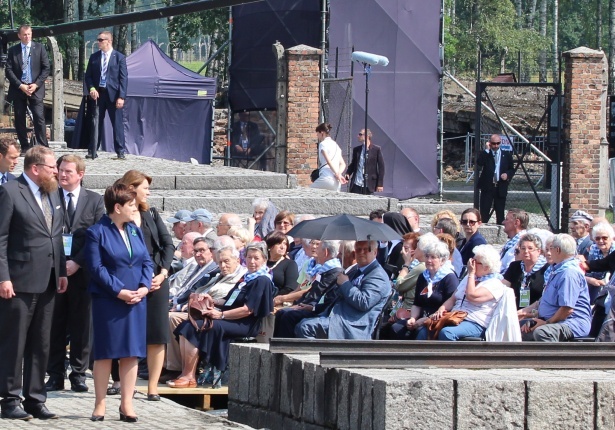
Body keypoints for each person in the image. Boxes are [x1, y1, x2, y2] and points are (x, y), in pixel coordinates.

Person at [0, 146, 67, 421]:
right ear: (35, 168)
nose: (56, 172)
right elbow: (0, 238)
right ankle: (9, 398)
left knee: (42, 342)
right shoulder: (10, 192)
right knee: (15, 342)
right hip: (18, 280)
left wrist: (61, 270)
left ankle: (35, 398)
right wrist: (3, 276)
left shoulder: (52, 192)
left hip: (49, 279)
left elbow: (57, 236)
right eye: (52, 167)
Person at [85, 183, 153, 422]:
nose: (136, 209)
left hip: (136, 299)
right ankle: (100, 403)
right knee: (105, 353)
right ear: (117, 207)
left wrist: (144, 287)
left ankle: (127, 405)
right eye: (131, 205)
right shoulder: (97, 232)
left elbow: (146, 260)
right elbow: (96, 268)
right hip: (109, 301)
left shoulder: (134, 229)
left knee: (131, 353)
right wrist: (119, 291)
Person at [170, 241, 274, 388]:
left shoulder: (262, 280)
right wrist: (212, 300)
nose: (252, 261)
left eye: (256, 258)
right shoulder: (247, 279)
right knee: (187, 326)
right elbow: (230, 300)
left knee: (195, 328)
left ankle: (189, 375)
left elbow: (247, 309)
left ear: (264, 259)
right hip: (232, 318)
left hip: (244, 323)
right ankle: (187, 374)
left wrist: (221, 315)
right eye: (249, 257)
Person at [45, 155, 105, 393]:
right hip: (54, 270)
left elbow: (98, 236)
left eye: (68, 171)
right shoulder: (49, 196)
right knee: (54, 324)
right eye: (60, 170)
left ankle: (78, 374)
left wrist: (77, 263)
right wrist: (61, 265)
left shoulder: (94, 200)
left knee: (82, 325)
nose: (62, 174)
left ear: (81, 174)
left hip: (82, 274)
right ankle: (55, 374)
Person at [116, 170, 174, 401]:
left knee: (157, 335)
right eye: (145, 187)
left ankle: (152, 387)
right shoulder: (120, 214)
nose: (148, 191)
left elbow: (168, 244)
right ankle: (121, 382)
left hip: (157, 280)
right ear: (132, 188)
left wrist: (163, 273)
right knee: (127, 332)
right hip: (130, 280)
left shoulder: (151, 213)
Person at [165, 243, 246, 383]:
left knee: (180, 321)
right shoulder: (218, 275)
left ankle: (186, 372)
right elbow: (201, 292)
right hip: (204, 310)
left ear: (237, 260)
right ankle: (175, 368)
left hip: (218, 314)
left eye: (226, 261)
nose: (223, 265)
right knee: (171, 318)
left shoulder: (241, 278)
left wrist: (213, 307)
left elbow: (234, 303)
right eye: (220, 262)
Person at [294, 240, 390, 340]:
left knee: (305, 327)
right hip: (336, 316)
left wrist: (345, 284)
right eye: (358, 250)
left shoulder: (378, 276)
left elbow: (364, 302)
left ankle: (321, 355)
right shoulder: (356, 270)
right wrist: (314, 308)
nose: (361, 252)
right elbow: (336, 296)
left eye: (366, 250)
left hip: (353, 325)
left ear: (375, 252)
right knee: (291, 317)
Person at [417, 244, 505, 341]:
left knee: (447, 333)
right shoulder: (469, 278)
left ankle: (447, 356)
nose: (471, 263)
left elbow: (471, 295)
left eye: (475, 262)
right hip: (454, 316)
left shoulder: (495, 284)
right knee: (425, 330)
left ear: (486, 267)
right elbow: (453, 298)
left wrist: (471, 273)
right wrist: (441, 309)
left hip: (475, 322)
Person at [520, 234, 592, 342]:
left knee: (542, 333)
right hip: (553, 321)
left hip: (571, 323)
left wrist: (546, 323)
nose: (548, 252)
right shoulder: (557, 271)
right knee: (520, 327)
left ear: (557, 250)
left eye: (550, 249)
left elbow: (567, 309)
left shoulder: (569, 273)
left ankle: (556, 359)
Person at [388, 241, 458, 340]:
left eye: (433, 257)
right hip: (420, 317)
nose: (429, 260)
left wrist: (424, 320)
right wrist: (413, 318)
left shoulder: (449, 278)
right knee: (396, 328)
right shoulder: (423, 276)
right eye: (427, 256)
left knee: (421, 333)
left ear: (442, 260)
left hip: (438, 320)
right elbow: (417, 303)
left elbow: (450, 308)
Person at [273, 240, 343, 338]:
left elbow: (318, 294)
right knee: (281, 313)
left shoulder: (333, 272)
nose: (316, 251)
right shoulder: (323, 269)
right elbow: (311, 291)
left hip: (319, 310)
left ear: (325, 252)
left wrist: (304, 306)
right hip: (310, 304)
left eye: (318, 248)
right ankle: (277, 348)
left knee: (288, 315)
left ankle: (285, 349)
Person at [5, 24, 50, 152]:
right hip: (19, 88)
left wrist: (36, 84)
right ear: (19, 36)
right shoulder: (13, 50)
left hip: (35, 87)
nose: (27, 37)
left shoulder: (39, 48)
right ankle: (24, 146)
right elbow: (8, 70)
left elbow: (46, 68)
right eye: (24, 34)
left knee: (39, 117)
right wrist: (20, 85)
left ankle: (42, 146)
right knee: (19, 117)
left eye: (29, 34)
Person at [84, 30, 128, 159]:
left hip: (113, 96)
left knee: (117, 123)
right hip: (98, 94)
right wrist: (92, 88)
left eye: (101, 40)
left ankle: (120, 151)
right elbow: (88, 77)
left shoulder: (119, 57)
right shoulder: (94, 57)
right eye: (98, 40)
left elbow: (123, 79)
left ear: (109, 41)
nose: (98, 42)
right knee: (95, 122)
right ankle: (92, 150)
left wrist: (121, 96)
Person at [502, 233, 548, 310]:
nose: (526, 251)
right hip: (514, 310)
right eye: (523, 248)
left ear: (539, 251)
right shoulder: (514, 266)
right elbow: (503, 287)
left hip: (536, 312)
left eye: (530, 248)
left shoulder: (546, 269)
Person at [476, 134, 514, 224]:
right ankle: (482, 228)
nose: (496, 146)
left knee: (500, 211)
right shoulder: (486, 154)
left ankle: (500, 230)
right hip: (488, 187)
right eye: (493, 144)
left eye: (498, 143)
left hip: (500, 186)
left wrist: (507, 175)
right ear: (490, 143)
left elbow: (512, 169)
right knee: (484, 211)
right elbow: (480, 163)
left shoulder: (506, 155)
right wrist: (486, 150)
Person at [345, 128, 385, 194]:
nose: (358, 136)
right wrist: (348, 173)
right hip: (357, 183)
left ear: (367, 136)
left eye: (360, 134)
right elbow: (353, 164)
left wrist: (380, 184)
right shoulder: (357, 150)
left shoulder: (376, 149)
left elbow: (381, 167)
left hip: (369, 184)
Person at [584, 222, 615, 304]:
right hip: (596, 285)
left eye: (605, 238)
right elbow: (595, 265)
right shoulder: (593, 248)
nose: (601, 241)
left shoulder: (613, 252)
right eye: (597, 238)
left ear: (611, 238)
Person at [310, 122, 347, 191]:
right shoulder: (336, 145)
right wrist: (338, 173)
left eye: (317, 134)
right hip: (337, 182)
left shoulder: (323, 144)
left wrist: (337, 174)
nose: (317, 136)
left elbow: (329, 161)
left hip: (326, 177)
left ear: (322, 133)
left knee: (308, 193)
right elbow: (343, 164)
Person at [265, 231, 299, 296]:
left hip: (277, 301)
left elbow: (290, 288)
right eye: (278, 243)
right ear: (269, 246)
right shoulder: (262, 263)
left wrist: (270, 299)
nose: (282, 247)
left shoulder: (290, 264)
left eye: (285, 244)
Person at [499, 209, 529, 274]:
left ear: (516, 223)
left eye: (506, 219)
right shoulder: (512, 242)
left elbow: (509, 270)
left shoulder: (521, 244)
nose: (503, 222)